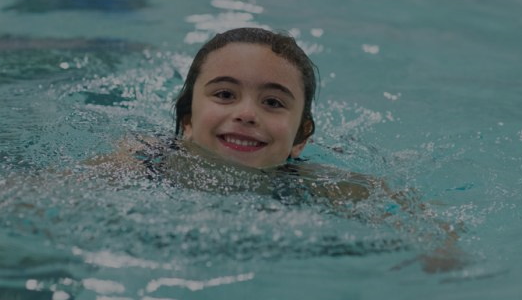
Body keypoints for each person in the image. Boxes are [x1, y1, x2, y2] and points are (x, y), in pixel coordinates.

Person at [86, 27, 464, 272]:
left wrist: (439, 256)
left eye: (273, 102)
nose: (247, 113)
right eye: (224, 94)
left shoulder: (323, 187)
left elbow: (425, 226)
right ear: (187, 118)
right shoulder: (141, 161)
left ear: (300, 138)